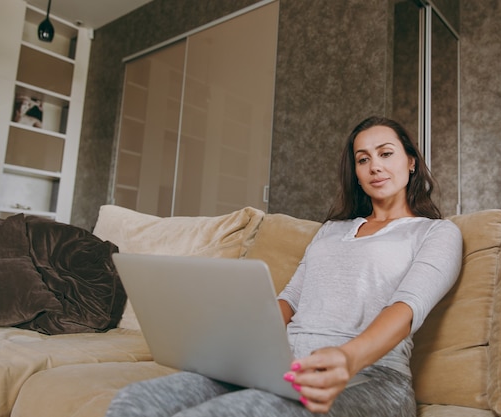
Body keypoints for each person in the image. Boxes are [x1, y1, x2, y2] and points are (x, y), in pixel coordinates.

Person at [105, 116, 462, 417]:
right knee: (134, 402)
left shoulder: (436, 232)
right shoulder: (331, 231)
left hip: (374, 376)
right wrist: (238, 347)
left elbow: (407, 307)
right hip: (284, 364)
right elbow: (290, 299)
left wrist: (346, 358)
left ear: (411, 161)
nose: (375, 166)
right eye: (363, 159)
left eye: (386, 153)